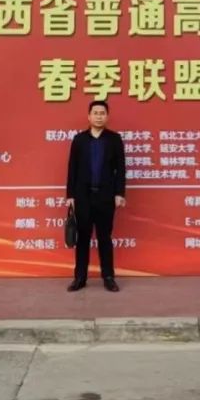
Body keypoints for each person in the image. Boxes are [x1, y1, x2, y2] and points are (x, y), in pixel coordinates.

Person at [65, 99, 126, 292]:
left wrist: (119, 193)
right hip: (83, 196)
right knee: (82, 238)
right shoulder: (79, 140)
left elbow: (121, 169)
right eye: (95, 113)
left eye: (102, 113)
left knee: (104, 238)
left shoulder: (114, 139)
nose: (99, 116)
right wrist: (70, 195)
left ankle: (108, 277)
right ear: (89, 116)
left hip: (106, 196)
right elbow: (72, 168)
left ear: (107, 116)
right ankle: (80, 278)